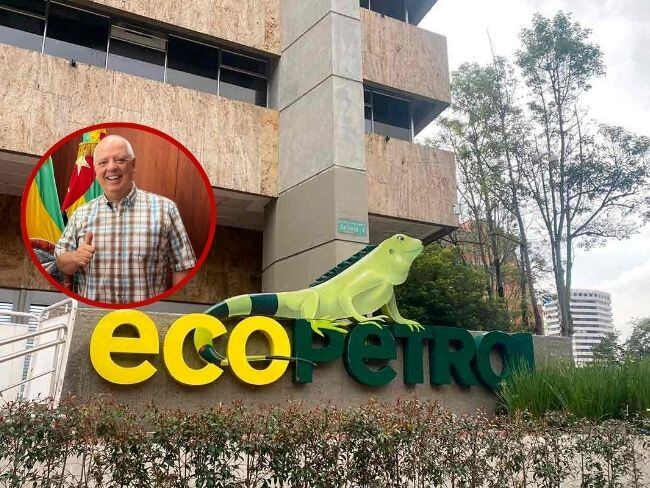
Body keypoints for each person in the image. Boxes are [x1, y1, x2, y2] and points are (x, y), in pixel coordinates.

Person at [55, 134, 196, 303]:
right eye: (103, 162)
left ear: (133, 164)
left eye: (120, 160)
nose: (111, 167)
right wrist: (75, 258)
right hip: (94, 317)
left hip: (145, 317)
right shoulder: (80, 214)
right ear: (95, 169)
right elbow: (60, 261)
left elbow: (183, 266)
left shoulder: (166, 210)